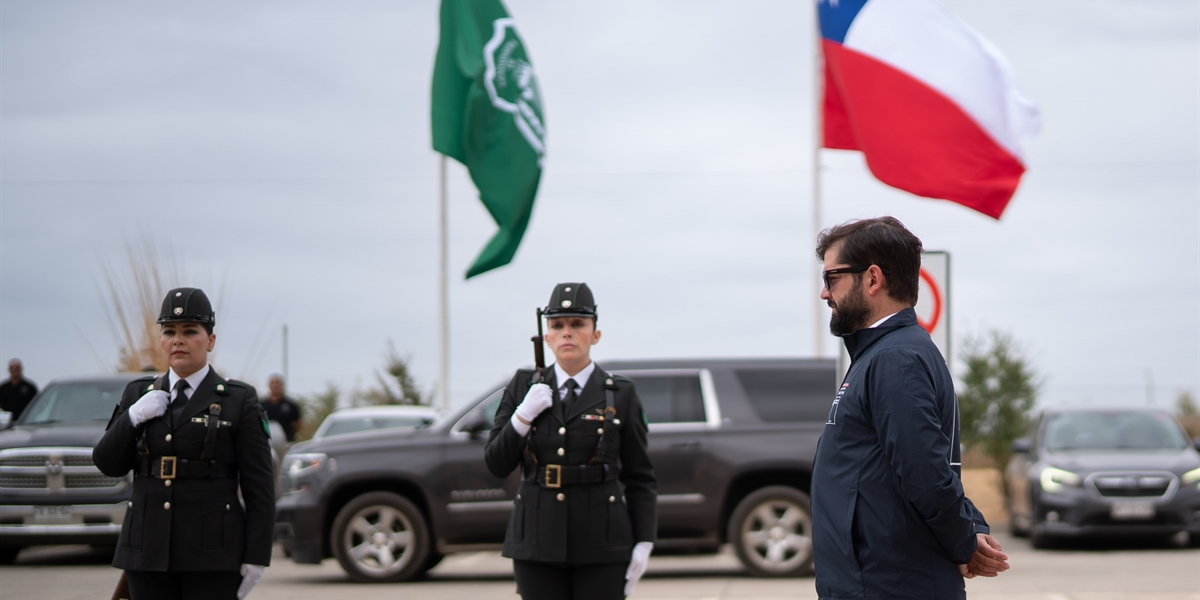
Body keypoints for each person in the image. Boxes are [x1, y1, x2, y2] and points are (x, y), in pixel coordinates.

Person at [811, 217, 1010, 599]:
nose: (824, 294)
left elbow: (926, 475)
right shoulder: (887, 354)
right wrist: (969, 527)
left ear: (872, 279)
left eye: (831, 278)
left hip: (888, 587)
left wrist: (965, 542)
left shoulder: (895, 359)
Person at [92, 287, 275, 600]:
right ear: (161, 339)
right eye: (169, 331)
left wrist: (256, 556)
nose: (178, 340)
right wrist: (133, 417)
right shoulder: (138, 394)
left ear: (210, 340)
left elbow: (260, 487)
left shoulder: (238, 400)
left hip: (212, 553)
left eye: (190, 331)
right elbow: (108, 463)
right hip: (147, 550)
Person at [484, 282, 657, 600]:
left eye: (578, 324)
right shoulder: (523, 385)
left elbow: (640, 476)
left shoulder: (620, 393)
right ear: (546, 336)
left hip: (603, 541)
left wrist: (644, 540)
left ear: (595, 334)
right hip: (536, 538)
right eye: (557, 325)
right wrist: (522, 416)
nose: (567, 333)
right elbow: (496, 463)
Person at [262, 374, 302, 442]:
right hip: (267, 442)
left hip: (286, 442)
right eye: (272, 382)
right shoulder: (262, 405)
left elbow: (298, 423)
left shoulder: (290, 405)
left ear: (282, 385)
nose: (275, 385)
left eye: (277, 382)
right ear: (269, 385)